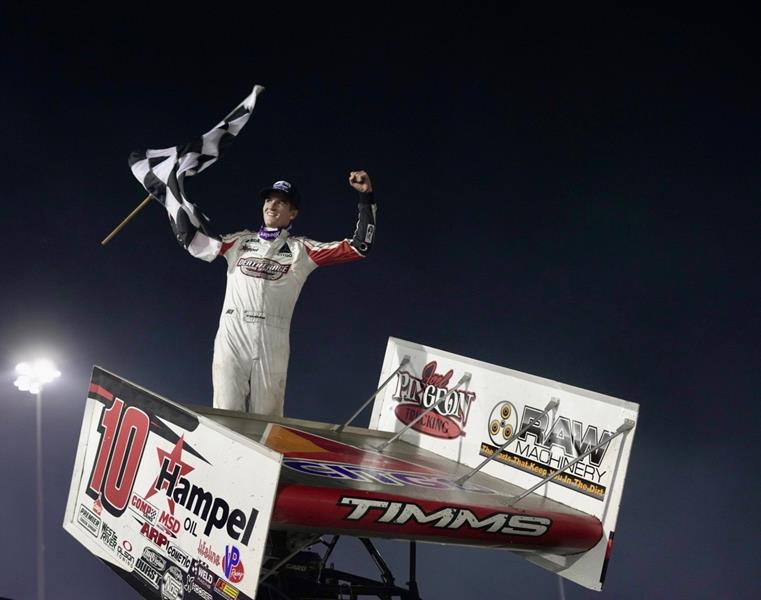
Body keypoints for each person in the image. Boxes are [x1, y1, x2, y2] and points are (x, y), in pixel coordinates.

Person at [185, 171, 376, 415]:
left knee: (266, 420)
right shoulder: (238, 241)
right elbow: (197, 242)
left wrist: (366, 198)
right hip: (232, 331)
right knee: (225, 414)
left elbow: (359, 247)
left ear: (292, 213)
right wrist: (172, 199)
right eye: (268, 200)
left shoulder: (302, 250)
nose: (272, 206)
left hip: (273, 336)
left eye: (281, 202)